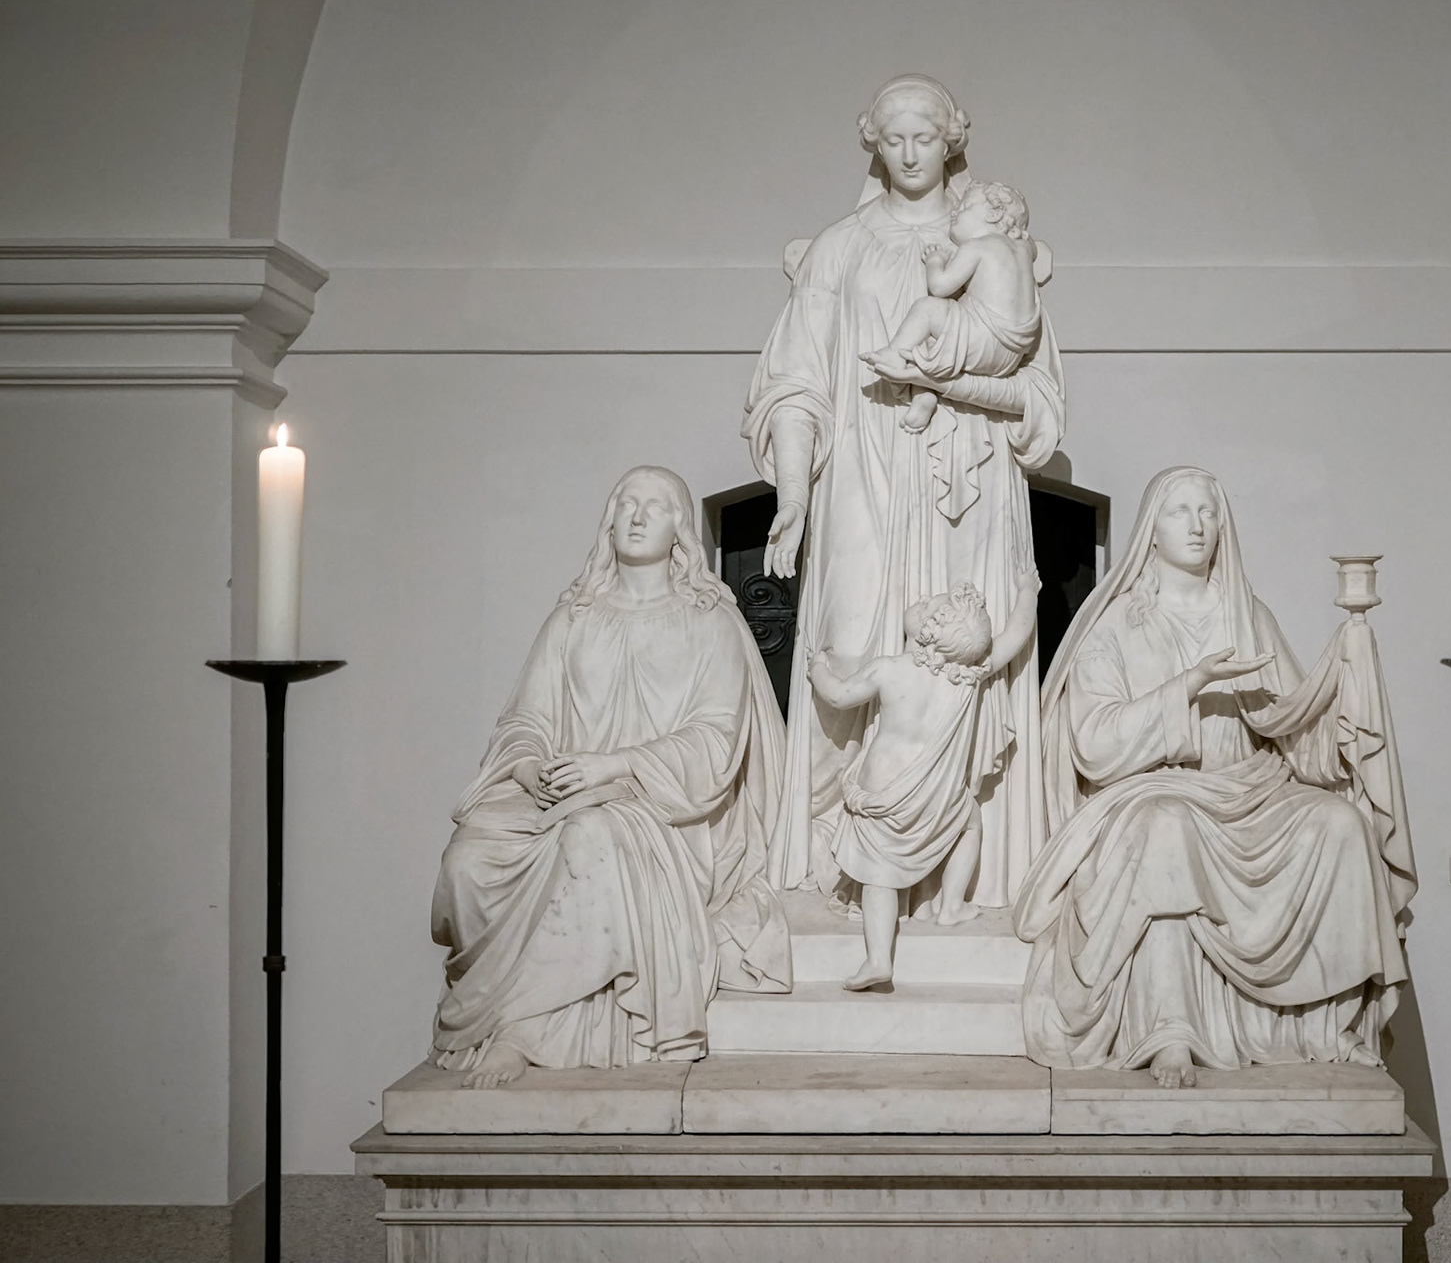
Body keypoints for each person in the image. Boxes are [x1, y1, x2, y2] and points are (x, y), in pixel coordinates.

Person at [744, 74, 1066, 910]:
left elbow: (1038, 396)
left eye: (927, 135)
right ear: (872, 143)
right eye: (894, 138)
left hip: (971, 482)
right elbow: (795, 384)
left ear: (953, 137)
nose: (912, 152)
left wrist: (956, 387)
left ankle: (960, 887)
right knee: (846, 651)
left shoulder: (999, 242)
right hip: (862, 474)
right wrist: (790, 493)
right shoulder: (839, 248)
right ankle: (832, 874)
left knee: (968, 669)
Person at [1014, 467, 1416, 1088]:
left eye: (1208, 511)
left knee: (1340, 824)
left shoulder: (1247, 614)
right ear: (1151, 529)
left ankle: (1321, 1024)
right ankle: (1171, 1028)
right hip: (1153, 791)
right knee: (1168, 830)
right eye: (1181, 511)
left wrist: (1346, 671)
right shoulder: (1117, 624)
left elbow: (1292, 729)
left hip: (1251, 788)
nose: (1199, 524)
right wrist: (1188, 686)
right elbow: (1093, 742)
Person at [430, 466, 791, 1089]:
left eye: (656, 505)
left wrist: (616, 765)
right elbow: (524, 720)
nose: (637, 515)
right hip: (562, 795)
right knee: (469, 856)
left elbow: (715, 742)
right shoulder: (573, 617)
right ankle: (506, 1013)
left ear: (681, 528)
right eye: (626, 501)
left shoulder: (709, 622)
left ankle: (514, 1029)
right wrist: (530, 767)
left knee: (591, 840)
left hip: (667, 812)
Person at [809, 572, 1040, 989]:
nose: (922, 600)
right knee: (970, 820)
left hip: (883, 790)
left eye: (929, 607)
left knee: (878, 877)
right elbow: (1017, 634)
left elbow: (839, 696)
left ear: (930, 635)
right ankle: (951, 905)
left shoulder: (889, 669)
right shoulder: (967, 677)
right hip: (933, 793)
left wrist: (817, 668)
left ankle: (879, 959)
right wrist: (1027, 592)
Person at [862, 180, 1041, 437]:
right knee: (930, 344)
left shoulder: (977, 246)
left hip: (981, 339)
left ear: (994, 214)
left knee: (927, 310)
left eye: (966, 206)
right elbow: (1029, 245)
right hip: (1008, 357)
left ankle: (893, 354)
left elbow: (940, 287)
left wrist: (935, 261)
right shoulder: (1024, 250)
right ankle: (924, 396)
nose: (955, 211)